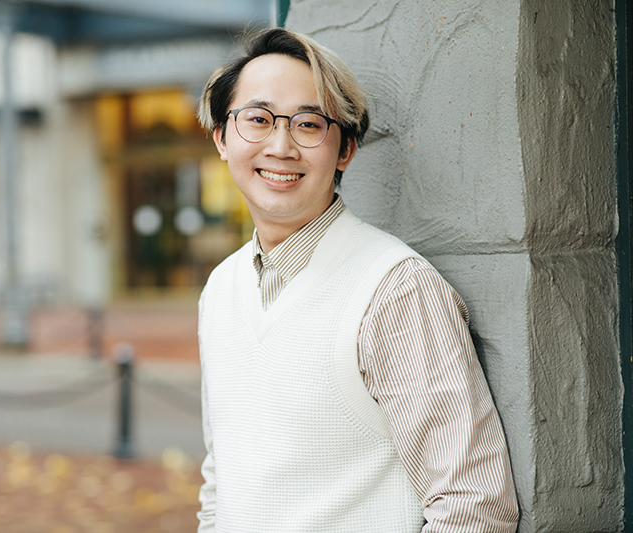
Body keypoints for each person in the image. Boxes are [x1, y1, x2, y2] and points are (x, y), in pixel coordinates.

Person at [195, 27, 519, 533]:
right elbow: (222, 483)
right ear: (221, 137)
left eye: (308, 124)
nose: (280, 146)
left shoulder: (394, 290)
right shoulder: (220, 288)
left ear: (343, 151)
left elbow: (473, 505)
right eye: (257, 119)